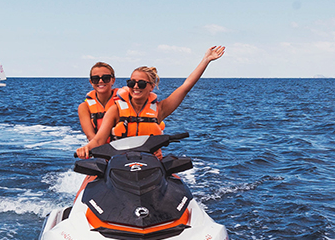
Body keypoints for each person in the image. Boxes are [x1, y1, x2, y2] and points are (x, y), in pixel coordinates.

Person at [76, 46, 224, 158]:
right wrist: (86, 148)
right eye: (131, 82)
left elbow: (185, 87)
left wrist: (206, 60)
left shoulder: (160, 109)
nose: (135, 87)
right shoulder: (115, 110)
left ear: (151, 87)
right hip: (119, 165)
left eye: (141, 84)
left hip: (150, 164)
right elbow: (98, 140)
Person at [78, 62, 117, 141]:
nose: (101, 81)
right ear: (91, 82)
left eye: (106, 78)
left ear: (113, 80)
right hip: (99, 149)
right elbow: (90, 136)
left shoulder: (124, 102)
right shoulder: (84, 108)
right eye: (95, 79)